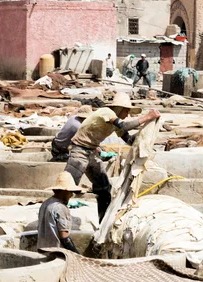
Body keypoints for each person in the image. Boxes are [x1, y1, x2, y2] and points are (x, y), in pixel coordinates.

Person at [65, 92, 161, 222]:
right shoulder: (106, 112)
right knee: (68, 187)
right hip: (79, 150)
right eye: (126, 111)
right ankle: (59, 217)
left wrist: (144, 132)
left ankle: (102, 222)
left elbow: (128, 139)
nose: (127, 115)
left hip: (92, 152)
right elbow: (124, 126)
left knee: (104, 189)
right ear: (119, 108)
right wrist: (147, 117)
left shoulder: (114, 123)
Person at [37, 172, 85, 253]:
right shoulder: (60, 208)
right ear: (64, 191)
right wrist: (77, 255)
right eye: (70, 192)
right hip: (56, 253)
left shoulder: (45, 203)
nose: (71, 195)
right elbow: (65, 238)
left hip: (42, 251)